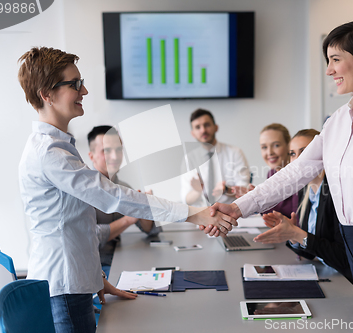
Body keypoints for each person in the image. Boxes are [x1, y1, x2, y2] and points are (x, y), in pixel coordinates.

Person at [206, 21, 353, 331]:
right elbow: (295, 173)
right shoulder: (338, 120)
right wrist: (237, 207)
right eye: (328, 60)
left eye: (336, 59)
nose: (329, 70)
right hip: (352, 244)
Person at [17, 47, 235, 333]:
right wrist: (195, 214)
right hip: (65, 286)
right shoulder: (49, 153)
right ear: (47, 93)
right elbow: (113, 196)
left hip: (74, 281)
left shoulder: (59, 147)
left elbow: (77, 224)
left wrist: (96, 278)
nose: (84, 91)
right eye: (75, 84)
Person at [253, 129, 353, 284]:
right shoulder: (306, 191)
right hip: (323, 273)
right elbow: (310, 252)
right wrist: (293, 236)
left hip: (346, 281)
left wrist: (298, 234)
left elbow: (343, 259)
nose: (298, 159)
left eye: (305, 152)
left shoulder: (336, 194)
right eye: (293, 154)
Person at [87, 125, 161, 276]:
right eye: (106, 150)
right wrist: (128, 220)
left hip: (122, 260)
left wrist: (146, 208)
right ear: (91, 155)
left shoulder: (124, 187)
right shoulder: (83, 190)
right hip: (94, 269)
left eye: (119, 149)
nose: (115, 156)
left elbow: (150, 230)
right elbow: (90, 236)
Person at [180, 108, 250, 207]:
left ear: (216, 127)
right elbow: (186, 199)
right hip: (202, 214)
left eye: (207, 125)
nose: (203, 130)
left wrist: (226, 190)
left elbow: (245, 190)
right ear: (193, 133)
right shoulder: (189, 159)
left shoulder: (235, 152)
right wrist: (198, 190)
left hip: (231, 211)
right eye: (197, 127)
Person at [233, 123, 295, 218]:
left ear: (288, 146)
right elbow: (275, 212)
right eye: (264, 147)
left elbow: (291, 216)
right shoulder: (272, 173)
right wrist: (256, 201)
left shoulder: (299, 175)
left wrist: (258, 202)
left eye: (276, 145)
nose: (270, 152)